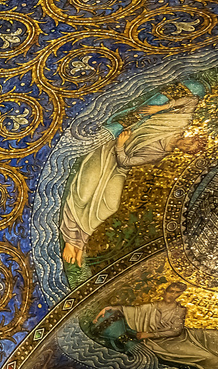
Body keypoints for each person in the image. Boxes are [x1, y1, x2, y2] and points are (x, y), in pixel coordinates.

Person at [61, 81, 207, 267]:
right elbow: (192, 100)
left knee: (111, 206)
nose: (186, 145)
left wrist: (121, 145)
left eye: (189, 149)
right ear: (192, 137)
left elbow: (126, 162)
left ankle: (81, 241)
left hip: (119, 159)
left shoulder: (159, 153)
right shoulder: (182, 122)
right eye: (190, 142)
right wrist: (162, 107)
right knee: (84, 193)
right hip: (106, 150)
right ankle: (70, 238)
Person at [94, 282, 218, 369]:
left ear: (180, 295)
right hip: (165, 344)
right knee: (209, 357)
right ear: (165, 291)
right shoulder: (151, 307)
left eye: (176, 292)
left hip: (183, 336)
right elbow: (131, 311)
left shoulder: (179, 310)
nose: (172, 294)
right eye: (170, 291)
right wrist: (111, 307)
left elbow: (176, 331)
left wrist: (149, 333)